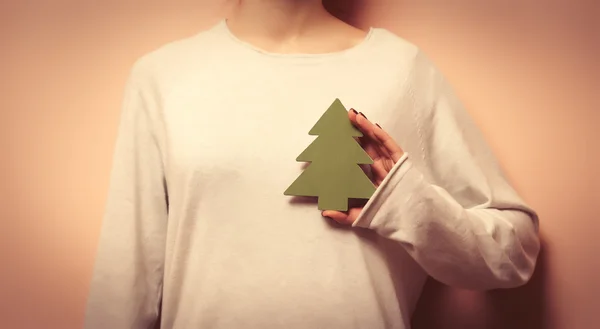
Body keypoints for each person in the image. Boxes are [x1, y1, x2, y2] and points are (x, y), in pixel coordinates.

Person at [83, 1, 541, 328]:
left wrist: (406, 203)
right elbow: (125, 283)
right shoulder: (162, 77)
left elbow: (514, 255)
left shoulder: (401, 70)